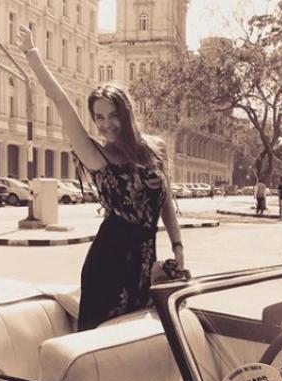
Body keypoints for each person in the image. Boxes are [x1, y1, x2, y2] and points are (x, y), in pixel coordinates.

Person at [19, 26, 184, 330]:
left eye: (113, 115)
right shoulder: (97, 156)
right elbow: (60, 101)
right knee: (101, 341)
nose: (107, 124)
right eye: (99, 117)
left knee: (134, 340)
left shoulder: (155, 149)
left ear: (127, 112)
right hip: (108, 266)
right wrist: (32, 54)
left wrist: (178, 249)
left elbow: (166, 204)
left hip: (145, 265)